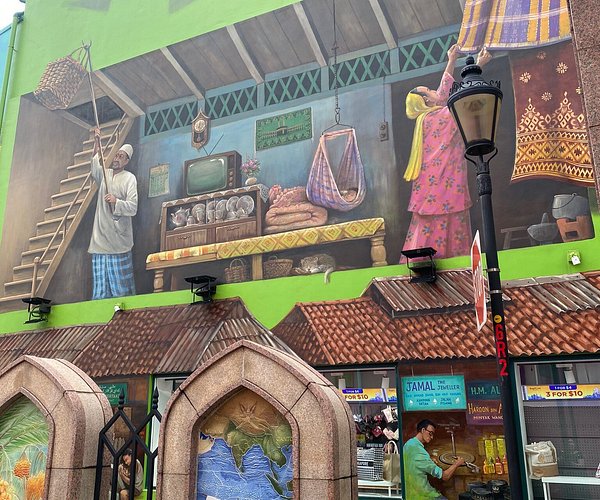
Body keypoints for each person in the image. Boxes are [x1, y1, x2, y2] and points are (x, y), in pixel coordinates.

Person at [401, 44, 491, 260]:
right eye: (429, 91)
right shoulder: (436, 118)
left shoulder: (428, 118)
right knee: (447, 229)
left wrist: (451, 60)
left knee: (431, 232)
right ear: (427, 101)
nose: (435, 91)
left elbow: (444, 95)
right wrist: (478, 66)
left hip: (435, 188)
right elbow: (461, 101)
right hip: (444, 186)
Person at [88, 128, 138, 299]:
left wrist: (116, 201)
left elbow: (133, 207)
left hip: (118, 242)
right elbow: (94, 165)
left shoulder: (129, 178)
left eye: (121, 156)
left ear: (127, 161)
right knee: (100, 291)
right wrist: (97, 143)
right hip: (100, 239)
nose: (116, 159)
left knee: (121, 291)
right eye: (116, 155)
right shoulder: (105, 174)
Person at [403, 419, 465, 499]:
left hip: (409, 493)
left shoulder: (409, 444)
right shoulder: (420, 453)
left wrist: (429, 459)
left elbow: (416, 461)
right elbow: (445, 476)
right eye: (430, 433)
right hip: (423, 496)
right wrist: (457, 463)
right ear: (423, 430)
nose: (432, 437)